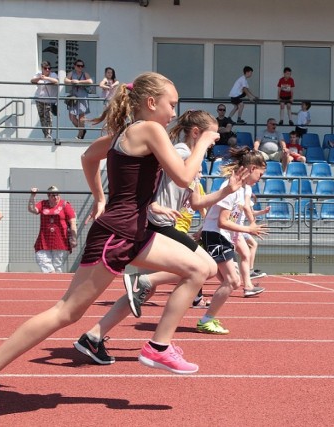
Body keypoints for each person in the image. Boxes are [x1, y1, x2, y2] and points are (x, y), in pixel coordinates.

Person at [0, 72, 217, 421]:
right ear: (151, 102)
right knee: (67, 312)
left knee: (201, 268)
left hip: (134, 231)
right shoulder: (149, 129)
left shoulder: (123, 136)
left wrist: (100, 198)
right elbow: (185, 178)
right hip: (118, 234)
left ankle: (158, 346)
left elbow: (87, 158)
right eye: (172, 104)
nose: (174, 113)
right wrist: (202, 142)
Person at [73, 110, 248, 365]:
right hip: (155, 223)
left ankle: (93, 336)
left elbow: (197, 201)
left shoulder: (191, 158)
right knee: (206, 267)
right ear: (197, 133)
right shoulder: (179, 151)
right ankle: (156, 333)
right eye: (212, 135)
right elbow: (147, 181)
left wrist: (226, 192)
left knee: (153, 288)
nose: (215, 141)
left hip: (166, 223)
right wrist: (153, 205)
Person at [197, 147, 268, 334]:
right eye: (260, 174)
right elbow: (222, 221)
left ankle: (208, 317)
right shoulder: (231, 187)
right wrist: (248, 229)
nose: (261, 179)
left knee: (217, 276)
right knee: (231, 280)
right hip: (216, 235)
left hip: (220, 236)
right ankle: (206, 319)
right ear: (252, 168)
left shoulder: (242, 188)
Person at [28, 186, 78, 273]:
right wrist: (32, 196)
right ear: (48, 196)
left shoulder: (65, 205)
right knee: (41, 258)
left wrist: (74, 238)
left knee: (57, 265)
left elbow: (73, 222)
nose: (56, 197)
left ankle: (57, 283)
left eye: (57, 195)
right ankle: (51, 275)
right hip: (44, 239)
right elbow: (32, 209)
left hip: (60, 240)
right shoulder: (43, 204)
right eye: (53, 195)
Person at [64, 59, 93, 139]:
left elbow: (90, 81)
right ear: (75, 66)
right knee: (71, 117)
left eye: (82, 66)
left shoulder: (85, 74)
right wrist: (72, 81)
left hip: (83, 96)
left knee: (81, 117)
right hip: (74, 97)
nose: (80, 67)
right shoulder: (71, 73)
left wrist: (79, 82)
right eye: (78, 65)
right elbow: (65, 80)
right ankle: (82, 130)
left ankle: (80, 135)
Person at [30, 60, 59, 139]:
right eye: (45, 68)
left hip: (49, 101)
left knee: (48, 117)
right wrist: (40, 78)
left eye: (49, 68)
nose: (47, 70)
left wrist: (46, 78)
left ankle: (48, 134)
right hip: (39, 99)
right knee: (42, 117)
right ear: (42, 68)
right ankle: (45, 134)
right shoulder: (38, 74)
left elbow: (56, 81)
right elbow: (32, 80)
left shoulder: (53, 74)